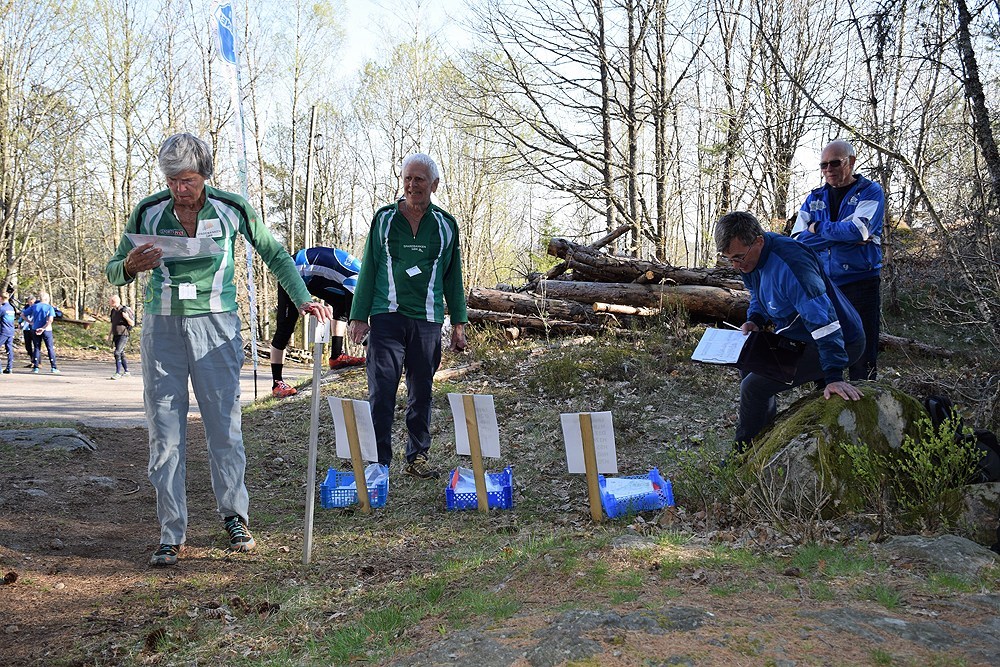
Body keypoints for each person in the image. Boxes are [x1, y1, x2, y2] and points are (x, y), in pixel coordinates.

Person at [106, 132, 332, 567]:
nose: (180, 190)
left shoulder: (232, 208)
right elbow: (115, 269)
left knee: (224, 430)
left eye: (187, 180)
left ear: (205, 175)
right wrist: (129, 267)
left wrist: (303, 298)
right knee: (165, 435)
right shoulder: (149, 211)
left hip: (218, 328)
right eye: (172, 181)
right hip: (162, 327)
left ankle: (235, 516)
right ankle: (172, 532)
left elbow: (275, 254)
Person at [348, 153, 468, 480]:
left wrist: (459, 322)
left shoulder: (446, 225)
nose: (412, 185)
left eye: (420, 180)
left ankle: (417, 457)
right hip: (386, 317)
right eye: (408, 179)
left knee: (422, 392)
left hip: (428, 320)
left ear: (434, 185)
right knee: (382, 390)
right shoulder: (384, 219)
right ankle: (379, 462)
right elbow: (369, 266)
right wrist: (358, 316)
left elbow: (452, 277)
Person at [715, 211, 866, 454]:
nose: (736, 266)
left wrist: (834, 376)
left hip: (841, 340)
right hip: (798, 334)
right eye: (729, 259)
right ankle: (763, 441)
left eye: (738, 257)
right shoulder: (750, 261)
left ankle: (741, 455)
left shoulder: (793, 264)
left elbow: (824, 321)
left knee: (754, 387)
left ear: (759, 241)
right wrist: (755, 319)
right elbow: (758, 294)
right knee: (748, 362)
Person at [790, 139, 884, 381]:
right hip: (824, 284)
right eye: (823, 165)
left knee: (863, 349)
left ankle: (865, 403)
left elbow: (860, 232)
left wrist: (818, 227)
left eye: (834, 163)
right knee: (823, 343)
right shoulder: (814, 198)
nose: (828, 169)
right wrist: (842, 234)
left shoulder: (870, 192)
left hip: (861, 282)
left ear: (851, 162)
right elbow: (797, 242)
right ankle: (822, 402)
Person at [270, 246, 366, 398]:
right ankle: (277, 383)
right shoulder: (357, 281)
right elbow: (356, 322)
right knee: (285, 327)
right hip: (293, 270)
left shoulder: (360, 279)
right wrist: (373, 351)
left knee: (341, 305)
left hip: (314, 277)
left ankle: (336, 356)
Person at [30, 292, 59, 374]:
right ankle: (53, 367)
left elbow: (22, 314)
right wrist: (43, 328)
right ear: (47, 299)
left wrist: (30, 322)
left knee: (36, 347)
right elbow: (50, 320)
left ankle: (36, 367)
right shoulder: (49, 307)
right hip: (47, 330)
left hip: (35, 328)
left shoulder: (34, 306)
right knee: (50, 348)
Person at [108, 295, 135, 379]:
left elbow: (132, 323)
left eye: (110, 301)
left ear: (114, 302)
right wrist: (109, 335)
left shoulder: (124, 310)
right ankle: (127, 371)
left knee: (117, 352)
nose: (109, 303)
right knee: (121, 353)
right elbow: (112, 324)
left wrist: (126, 317)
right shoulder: (113, 311)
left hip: (124, 334)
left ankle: (118, 373)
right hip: (116, 334)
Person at [18, 295, 36, 366]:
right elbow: (22, 315)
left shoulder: (37, 307)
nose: (30, 303)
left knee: (36, 346)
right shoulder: (26, 308)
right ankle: (32, 360)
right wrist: (19, 323)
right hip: (26, 328)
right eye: (29, 302)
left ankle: (37, 361)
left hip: (34, 328)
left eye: (31, 302)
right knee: (28, 346)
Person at [0, 293, 14, 374]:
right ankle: (10, 367)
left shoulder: (2, 308)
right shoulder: (11, 308)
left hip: (3, 331)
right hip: (11, 331)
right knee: (9, 349)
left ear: (1, 298)